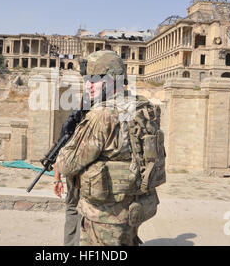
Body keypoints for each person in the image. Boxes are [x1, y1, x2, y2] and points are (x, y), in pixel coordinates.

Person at [55, 50, 165, 246]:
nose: (87, 85)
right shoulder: (144, 107)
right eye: (87, 79)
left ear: (113, 80)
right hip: (135, 206)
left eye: (94, 80)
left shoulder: (102, 115)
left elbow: (66, 165)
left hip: (106, 214)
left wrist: (67, 144)